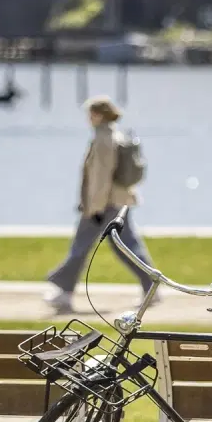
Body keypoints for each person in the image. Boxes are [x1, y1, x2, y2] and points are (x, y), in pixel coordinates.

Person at [45, 96, 154, 315]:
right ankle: (151, 284)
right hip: (116, 201)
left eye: (91, 113)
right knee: (127, 246)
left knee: (81, 246)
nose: (88, 118)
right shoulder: (113, 134)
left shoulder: (104, 139)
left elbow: (100, 178)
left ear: (99, 114)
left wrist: (94, 208)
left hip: (104, 204)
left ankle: (63, 291)